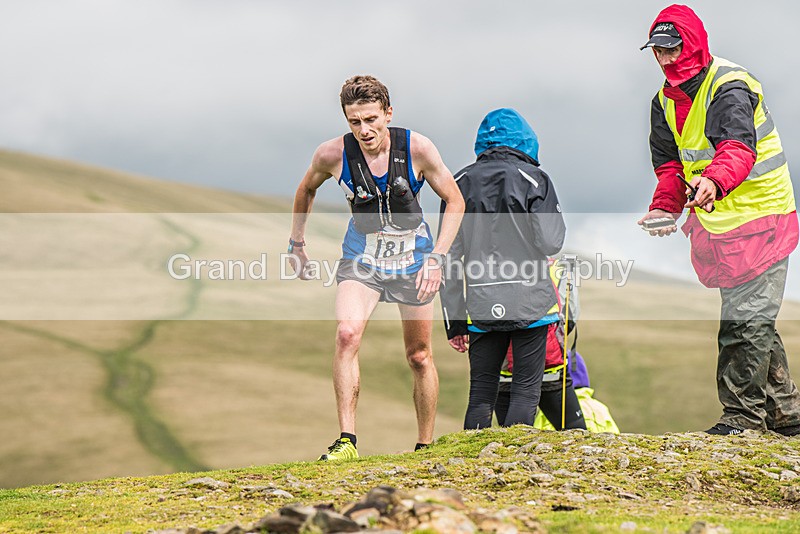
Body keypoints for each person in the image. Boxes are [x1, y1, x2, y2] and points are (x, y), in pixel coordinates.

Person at [638, 5, 800, 436]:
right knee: (751, 319)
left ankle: (742, 419)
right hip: (722, 228)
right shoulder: (663, 104)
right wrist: (664, 207)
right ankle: (787, 417)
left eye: (671, 48)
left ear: (691, 44)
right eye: (657, 50)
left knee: (743, 323)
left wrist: (713, 181)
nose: (665, 58)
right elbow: (670, 167)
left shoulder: (728, 86)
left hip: (763, 217)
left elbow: (737, 148)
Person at [288, 75, 465, 460]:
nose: (364, 130)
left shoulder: (418, 148)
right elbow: (306, 189)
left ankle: (424, 446)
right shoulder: (332, 155)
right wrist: (296, 242)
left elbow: (455, 200)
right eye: (355, 122)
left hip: (413, 260)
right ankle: (347, 440)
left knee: (419, 355)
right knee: (347, 334)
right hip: (362, 258)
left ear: (388, 113)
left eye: (371, 119)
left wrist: (436, 257)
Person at [440, 108, 566, 429]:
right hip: (532, 301)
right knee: (526, 391)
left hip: (481, 303)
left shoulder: (457, 183)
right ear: (526, 141)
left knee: (481, 393)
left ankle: (470, 467)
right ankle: (515, 469)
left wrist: (455, 323)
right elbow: (552, 242)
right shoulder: (535, 179)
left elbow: (449, 259)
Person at [495, 258, 586, 431]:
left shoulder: (487, 267)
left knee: (511, 440)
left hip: (504, 373)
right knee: (575, 432)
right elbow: (570, 316)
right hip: (549, 371)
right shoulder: (559, 268)